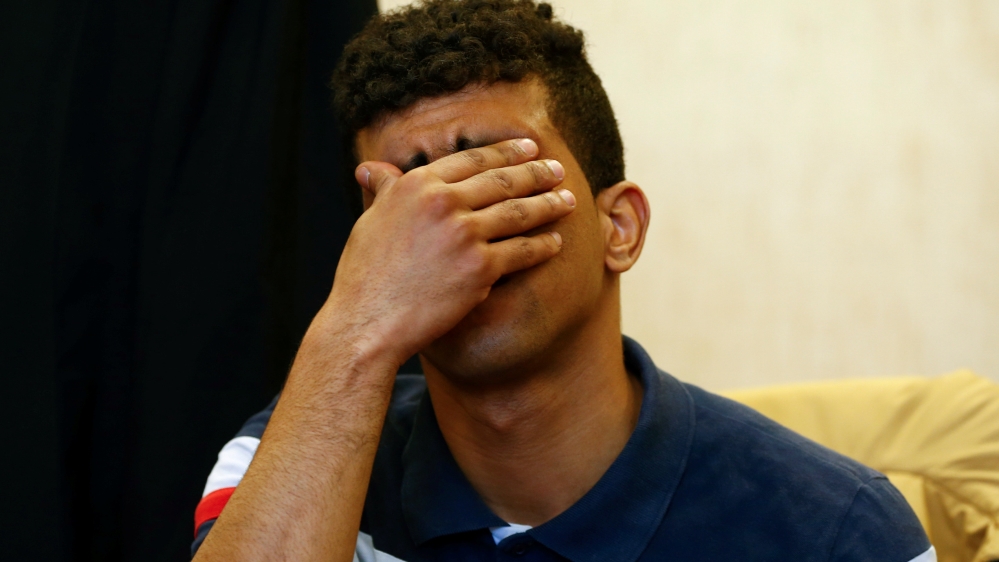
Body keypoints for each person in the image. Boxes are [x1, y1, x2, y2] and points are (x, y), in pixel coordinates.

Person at [191, 1, 935, 561]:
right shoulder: (288, 456)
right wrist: (357, 331)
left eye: (494, 177)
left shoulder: (838, 530)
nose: (453, 228)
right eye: (408, 206)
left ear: (619, 228)